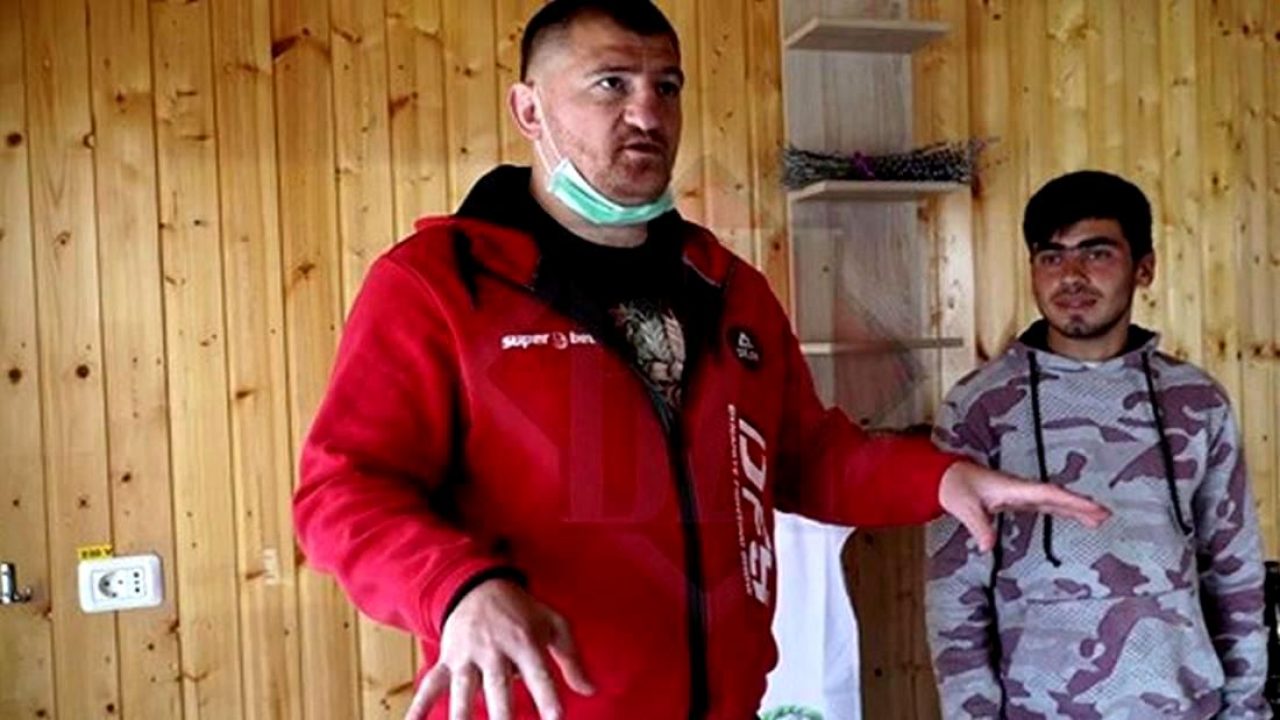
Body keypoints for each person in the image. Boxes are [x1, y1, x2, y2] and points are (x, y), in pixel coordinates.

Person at [293, 3, 1108, 719]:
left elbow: (807, 457)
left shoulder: (727, 287)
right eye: (610, 83)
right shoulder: (440, 283)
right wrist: (459, 588)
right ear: (529, 108)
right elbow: (343, 491)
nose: (647, 111)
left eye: (668, 86)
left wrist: (939, 479)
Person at [925, 170, 1270, 718]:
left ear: (1144, 268)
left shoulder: (1196, 401)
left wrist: (1246, 709)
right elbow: (954, 593)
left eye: (1097, 252)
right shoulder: (979, 406)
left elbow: (1235, 571)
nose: (1071, 275)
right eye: (1051, 256)